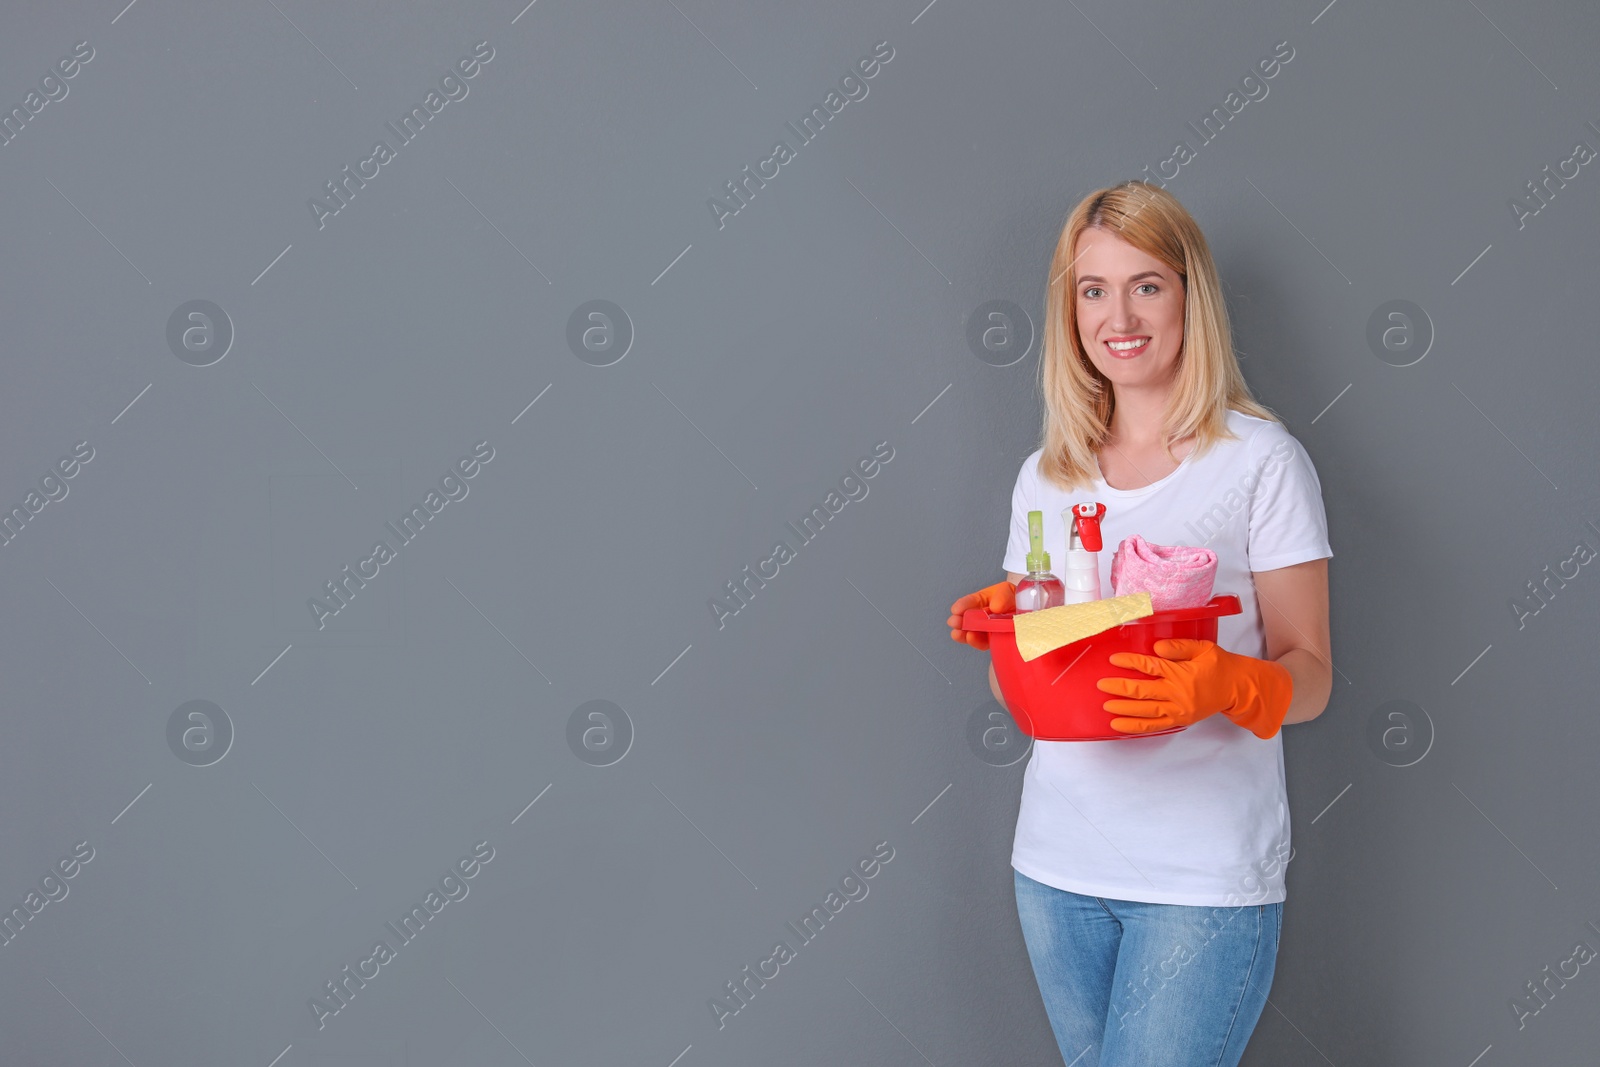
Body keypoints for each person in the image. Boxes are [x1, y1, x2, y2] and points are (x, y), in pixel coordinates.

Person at [946, 180, 1333, 1067]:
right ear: (1070, 307)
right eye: (1092, 289)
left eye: (1146, 284)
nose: (1118, 314)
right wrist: (1012, 629)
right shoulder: (1048, 476)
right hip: (1057, 868)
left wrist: (1235, 682)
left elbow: (1309, 673)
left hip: (1198, 878)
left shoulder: (1260, 462)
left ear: (1190, 296)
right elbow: (1047, 678)